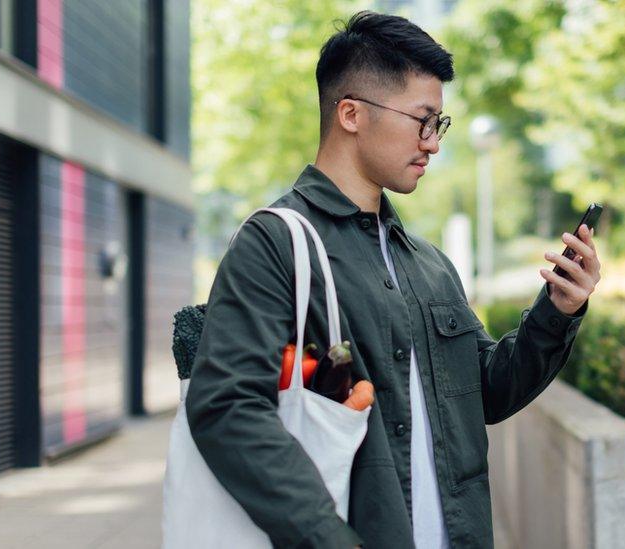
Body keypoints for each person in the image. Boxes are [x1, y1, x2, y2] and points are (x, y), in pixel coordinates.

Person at [186, 10, 601, 549]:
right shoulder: (275, 245)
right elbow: (227, 407)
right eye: (422, 120)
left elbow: (488, 394)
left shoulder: (427, 264)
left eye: (440, 125)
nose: (433, 143)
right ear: (352, 113)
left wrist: (558, 312)